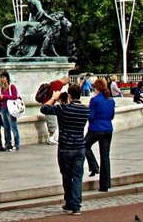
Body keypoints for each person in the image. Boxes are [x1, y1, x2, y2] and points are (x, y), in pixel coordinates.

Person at [42, 82, 90, 215]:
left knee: (66, 176)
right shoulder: (85, 110)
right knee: (78, 177)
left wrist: (54, 98)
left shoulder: (63, 109)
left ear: (69, 95)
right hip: (79, 145)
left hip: (65, 146)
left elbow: (44, 109)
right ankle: (76, 205)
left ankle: (69, 201)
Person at [84, 77, 115, 192]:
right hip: (108, 128)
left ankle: (94, 165)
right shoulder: (111, 100)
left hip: (96, 128)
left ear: (97, 88)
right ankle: (105, 184)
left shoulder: (95, 100)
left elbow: (91, 116)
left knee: (84, 145)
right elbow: (112, 116)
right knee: (105, 156)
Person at [0, 72, 22, 151]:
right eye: (1, 78)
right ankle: (8, 143)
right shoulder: (2, 88)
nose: (2, 79)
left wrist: (4, 96)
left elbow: (15, 96)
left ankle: (17, 144)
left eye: (4, 77)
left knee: (13, 127)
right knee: (6, 127)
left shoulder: (12, 86)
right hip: (3, 108)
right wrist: (0, 98)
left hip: (11, 109)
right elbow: (4, 98)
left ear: (7, 78)